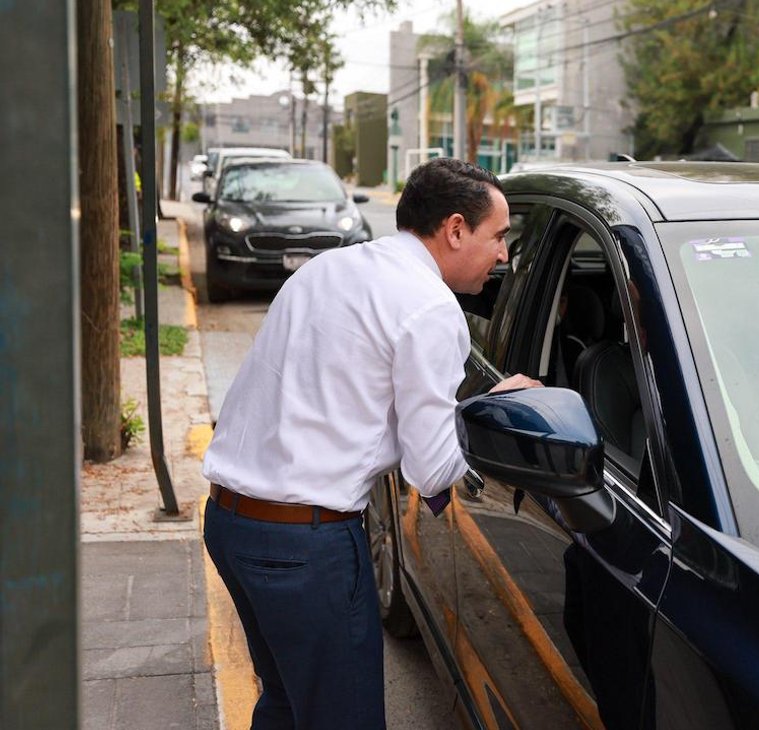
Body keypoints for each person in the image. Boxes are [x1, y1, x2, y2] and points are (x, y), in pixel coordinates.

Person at [201, 158, 540, 729]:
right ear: (456, 230)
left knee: (285, 703)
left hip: (230, 525)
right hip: (306, 549)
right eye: (499, 236)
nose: (504, 255)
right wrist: (493, 405)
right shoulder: (431, 307)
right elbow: (431, 473)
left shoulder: (329, 267)